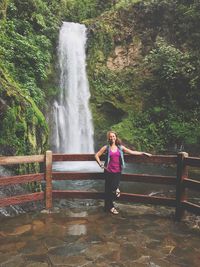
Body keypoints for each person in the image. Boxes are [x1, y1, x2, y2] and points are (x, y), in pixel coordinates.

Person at [95, 130, 152, 215]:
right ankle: (111, 207)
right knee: (109, 190)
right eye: (110, 136)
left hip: (117, 171)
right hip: (108, 171)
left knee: (112, 189)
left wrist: (143, 153)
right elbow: (96, 155)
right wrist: (100, 164)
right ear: (108, 138)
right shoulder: (106, 148)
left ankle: (110, 203)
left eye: (113, 136)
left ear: (116, 137)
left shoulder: (120, 148)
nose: (112, 138)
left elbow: (131, 152)